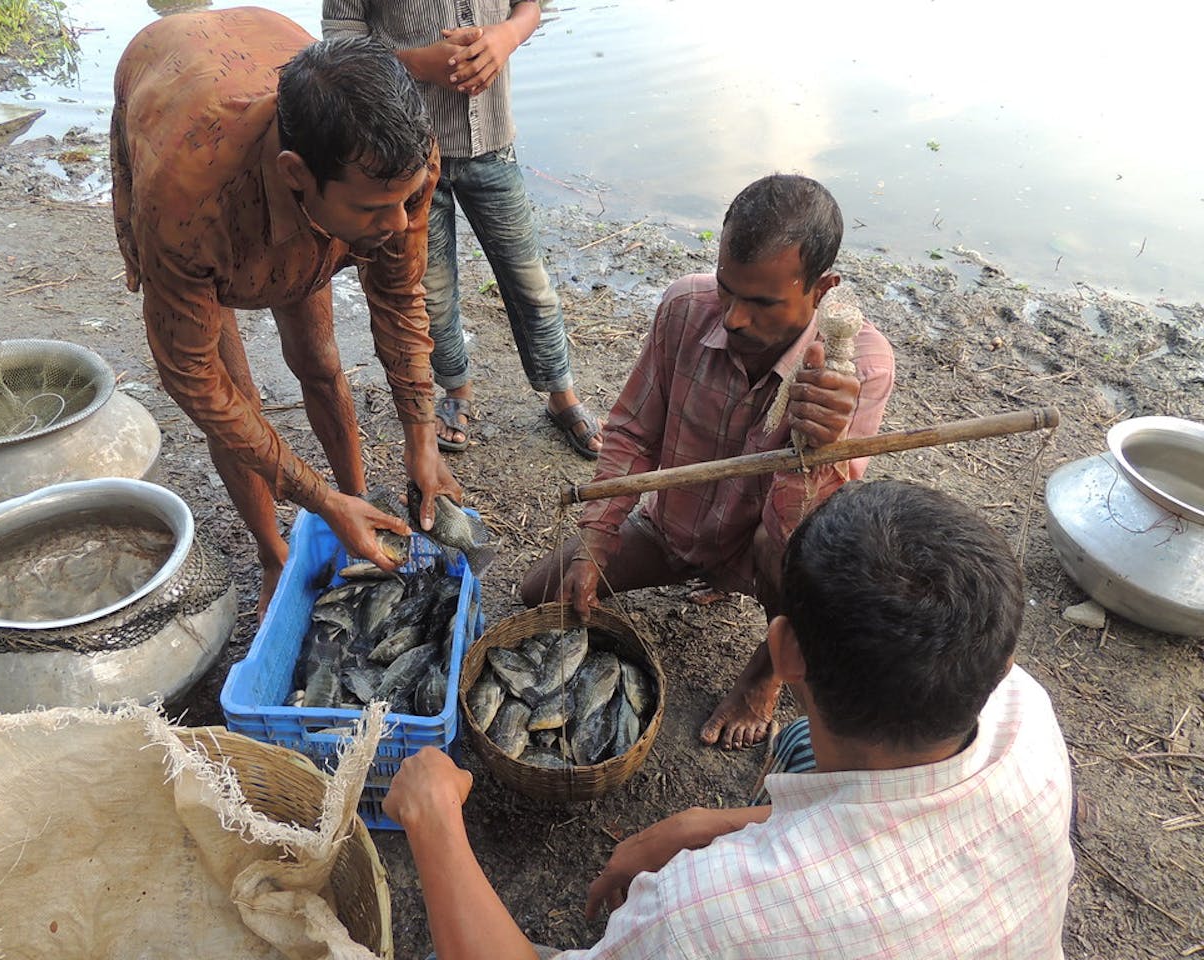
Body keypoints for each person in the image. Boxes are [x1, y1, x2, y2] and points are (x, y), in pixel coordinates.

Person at [384, 480, 1076, 959]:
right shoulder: (1027, 715)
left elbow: (721, 919)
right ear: (1001, 658)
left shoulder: (709, 916)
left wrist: (434, 817)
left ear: (783, 652)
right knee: (800, 742)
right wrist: (700, 824)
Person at [521, 173, 895, 749]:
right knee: (539, 593)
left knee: (795, 557)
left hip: (765, 548)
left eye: (762, 302)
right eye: (727, 289)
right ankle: (696, 570)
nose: (734, 318)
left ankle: (764, 675)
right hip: (673, 529)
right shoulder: (685, 308)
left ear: (822, 290)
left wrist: (819, 448)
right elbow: (631, 434)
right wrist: (596, 540)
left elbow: (810, 533)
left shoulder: (859, 366)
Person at [110, 7, 462, 615]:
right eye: (374, 209)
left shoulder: (401, 160)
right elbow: (196, 380)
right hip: (177, 96)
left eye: (406, 202)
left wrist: (421, 437)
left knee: (320, 361)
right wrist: (316, 498)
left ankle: (359, 506)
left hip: (261, 53)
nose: (399, 223)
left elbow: (400, 299)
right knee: (236, 397)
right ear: (295, 175)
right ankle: (272, 553)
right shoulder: (185, 202)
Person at [322, 0, 605, 460]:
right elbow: (339, 37)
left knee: (531, 284)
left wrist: (507, 36)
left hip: (493, 146)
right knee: (432, 292)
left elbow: (529, 6)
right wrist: (413, 63)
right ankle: (456, 390)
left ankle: (561, 393)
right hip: (409, 154)